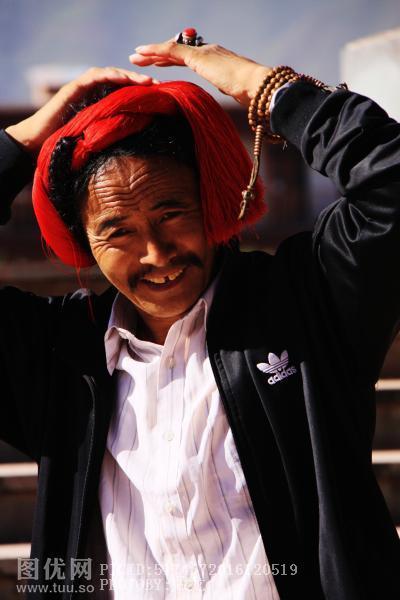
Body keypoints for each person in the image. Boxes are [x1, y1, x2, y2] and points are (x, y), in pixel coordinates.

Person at [1, 32, 400, 600]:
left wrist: (266, 89)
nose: (156, 254)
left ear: (211, 202)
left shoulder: (306, 306)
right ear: (84, 242)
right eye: (118, 232)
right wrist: (22, 143)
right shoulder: (57, 358)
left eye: (172, 213)